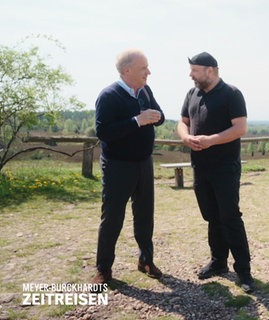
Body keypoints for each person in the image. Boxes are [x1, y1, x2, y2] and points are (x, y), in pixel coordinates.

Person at [176, 52, 254, 293]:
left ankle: (244, 271)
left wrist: (211, 140)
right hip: (200, 167)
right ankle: (218, 262)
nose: (190, 75)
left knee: (229, 216)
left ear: (210, 70)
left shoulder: (232, 93)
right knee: (211, 216)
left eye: (195, 70)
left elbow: (240, 128)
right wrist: (185, 136)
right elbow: (182, 121)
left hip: (225, 167)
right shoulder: (192, 94)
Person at [93, 49, 165, 284]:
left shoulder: (145, 91)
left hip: (144, 163)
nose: (149, 72)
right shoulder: (108, 96)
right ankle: (103, 269)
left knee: (145, 215)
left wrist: (156, 117)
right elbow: (104, 132)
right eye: (144, 68)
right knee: (112, 218)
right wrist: (136, 121)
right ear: (127, 70)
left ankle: (145, 260)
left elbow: (159, 115)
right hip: (118, 166)